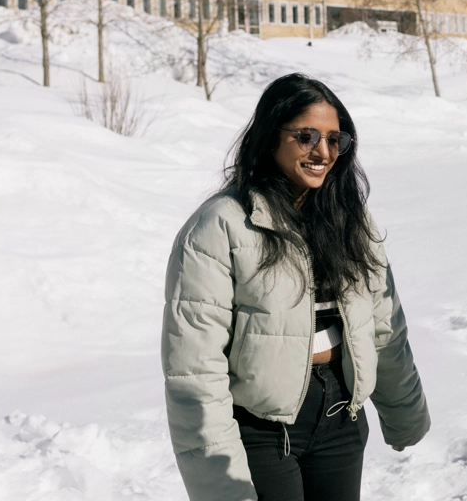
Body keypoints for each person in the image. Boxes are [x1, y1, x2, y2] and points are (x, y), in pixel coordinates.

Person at [162, 73, 430, 501]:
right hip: (262, 429)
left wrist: (405, 415)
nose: (323, 152)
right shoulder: (221, 225)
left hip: (341, 416)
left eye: (334, 139)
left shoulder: (351, 222)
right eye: (306, 136)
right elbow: (195, 367)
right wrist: (218, 480)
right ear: (271, 137)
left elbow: (383, 327)